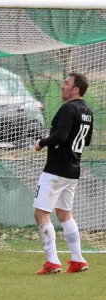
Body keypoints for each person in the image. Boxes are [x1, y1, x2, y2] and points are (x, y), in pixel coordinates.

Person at [33, 72, 93, 274]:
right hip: (73, 169)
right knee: (64, 213)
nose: (62, 86)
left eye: (66, 83)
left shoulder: (69, 108)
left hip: (56, 169)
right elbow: (86, 141)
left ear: (76, 89)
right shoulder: (87, 111)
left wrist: (42, 142)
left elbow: (60, 136)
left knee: (41, 213)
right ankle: (77, 259)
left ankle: (53, 261)